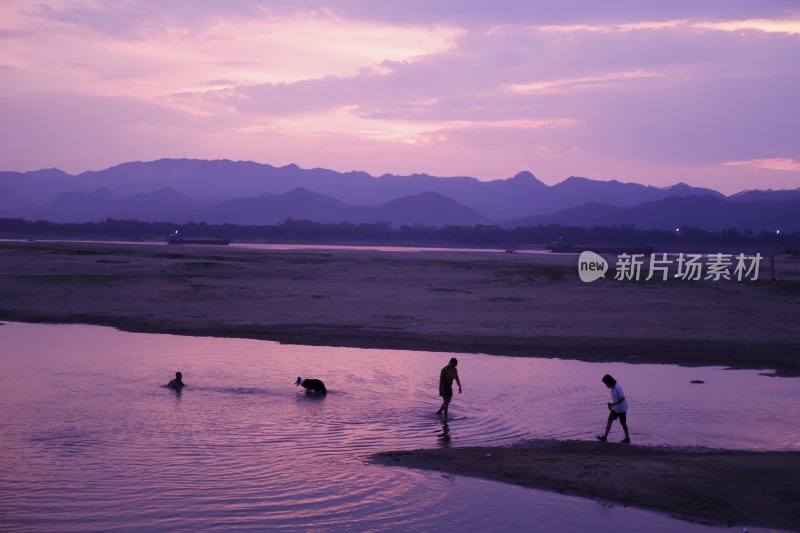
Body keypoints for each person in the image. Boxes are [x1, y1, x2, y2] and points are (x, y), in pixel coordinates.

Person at [596, 374, 630, 443]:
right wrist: (611, 404)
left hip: (622, 409)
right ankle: (605, 437)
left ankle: (627, 438)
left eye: (606, 384)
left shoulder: (618, 386)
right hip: (615, 408)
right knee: (609, 420)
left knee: (623, 423)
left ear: (609, 382)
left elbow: (622, 398)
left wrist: (612, 404)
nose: (606, 386)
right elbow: (615, 398)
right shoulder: (612, 387)